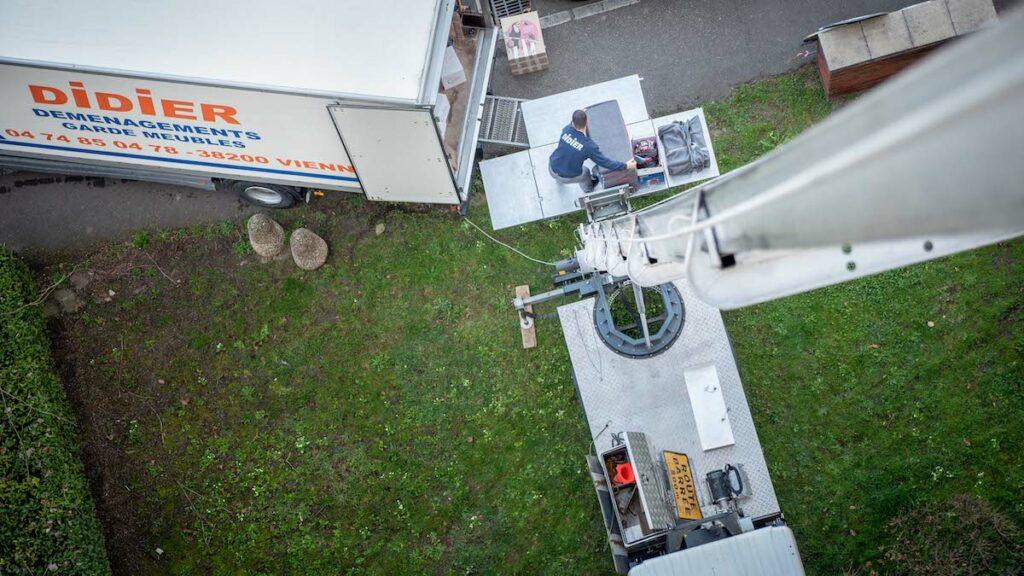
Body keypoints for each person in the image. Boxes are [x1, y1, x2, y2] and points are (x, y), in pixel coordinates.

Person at [549, 109, 637, 193]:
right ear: (587, 122)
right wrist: (626, 165)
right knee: (585, 172)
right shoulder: (588, 147)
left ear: (573, 121)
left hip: (552, 166)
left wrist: (579, 115)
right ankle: (588, 189)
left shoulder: (566, 130)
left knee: (563, 164)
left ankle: (558, 180)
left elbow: (572, 123)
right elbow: (605, 163)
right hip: (566, 177)